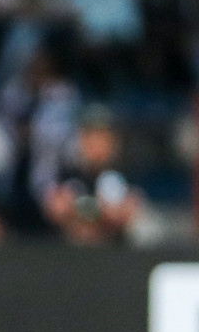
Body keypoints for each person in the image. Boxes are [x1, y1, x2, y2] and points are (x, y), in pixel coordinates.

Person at [41, 104, 143, 245]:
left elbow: (123, 214)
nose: (96, 145)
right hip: (69, 253)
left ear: (113, 141)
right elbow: (56, 209)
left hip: (116, 252)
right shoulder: (68, 172)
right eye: (90, 137)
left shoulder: (127, 174)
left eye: (102, 138)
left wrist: (81, 208)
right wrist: (98, 209)